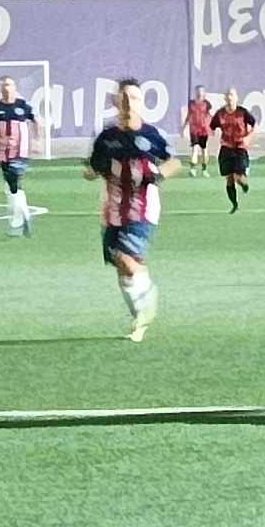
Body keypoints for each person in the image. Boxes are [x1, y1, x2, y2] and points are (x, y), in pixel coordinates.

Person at [85, 79, 181, 342]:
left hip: (142, 207)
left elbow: (174, 162)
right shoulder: (106, 138)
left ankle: (147, 302)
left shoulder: (152, 135)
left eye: (134, 98)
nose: (129, 103)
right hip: (113, 208)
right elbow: (94, 167)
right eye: (124, 98)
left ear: (141, 102)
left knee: (126, 261)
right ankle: (140, 315)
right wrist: (90, 172)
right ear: (116, 102)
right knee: (122, 267)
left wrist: (159, 174)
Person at [0, 76, 39, 237]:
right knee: (12, 186)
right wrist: (0, 140)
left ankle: (24, 217)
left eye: (9, 85)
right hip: (4, 153)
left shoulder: (22, 106)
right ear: (1, 89)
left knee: (14, 183)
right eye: (4, 85)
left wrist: (37, 140)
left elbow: (36, 121)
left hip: (21, 152)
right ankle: (19, 220)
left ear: (15, 87)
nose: (6, 88)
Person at [211, 88, 257, 213]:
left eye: (232, 95)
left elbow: (254, 124)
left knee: (238, 177)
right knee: (229, 178)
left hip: (240, 147)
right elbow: (212, 126)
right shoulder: (220, 113)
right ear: (225, 98)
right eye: (227, 95)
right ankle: (234, 204)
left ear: (236, 98)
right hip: (226, 148)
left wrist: (248, 137)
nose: (229, 97)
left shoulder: (242, 112)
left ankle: (244, 183)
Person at [185, 85, 214, 177]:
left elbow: (209, 115)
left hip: (203, 130)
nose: (199, 93)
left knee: (204, 149)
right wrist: (184, 126)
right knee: (194, 148)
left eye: (201, 91)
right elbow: (189, 114)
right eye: (198, 91)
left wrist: (213, 126)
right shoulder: (191, 103)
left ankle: (204, 169)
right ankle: (192, 169)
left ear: (204, 93)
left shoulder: (207, 104)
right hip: (194, 129)